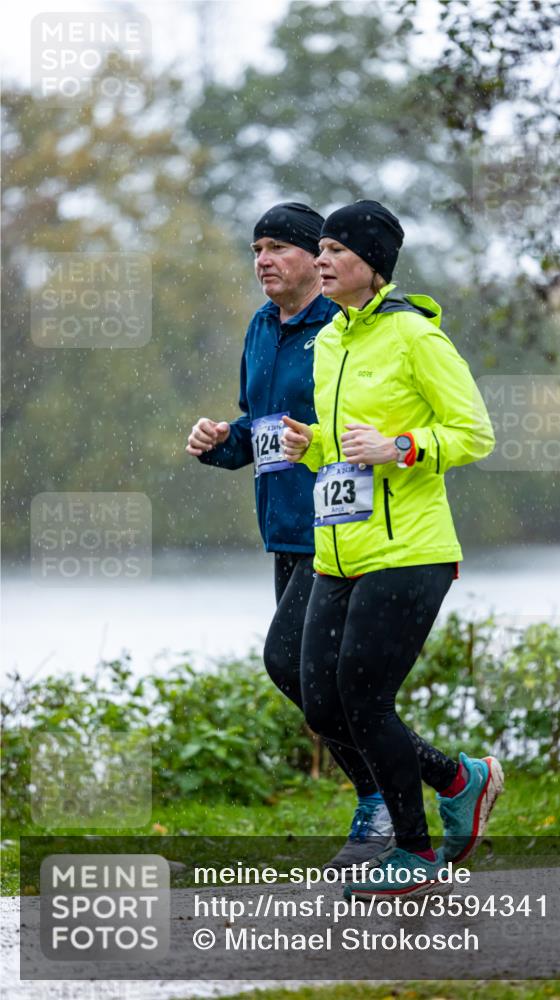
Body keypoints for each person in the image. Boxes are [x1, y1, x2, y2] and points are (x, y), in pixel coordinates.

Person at [281, 200, 503, 899]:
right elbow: (340, 448)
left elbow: (473, 434)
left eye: (335, 250)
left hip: (410, 549)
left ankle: (414, 851)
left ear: (371, 265)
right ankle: (457, 777)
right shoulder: (327, 342)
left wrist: (401, 448)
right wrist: (307, 444)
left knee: (364, 698)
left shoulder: (415, 336)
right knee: (321, 702)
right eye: (318, 247)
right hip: (337, 550)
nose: (320, 259)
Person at [185, 202, 394, 867]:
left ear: (316, 256)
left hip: (341, 523)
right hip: (283, 524)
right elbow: (262, 427)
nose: (262, 260)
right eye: (255, 249)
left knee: (295, 665)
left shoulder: (343, 325)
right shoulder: (259, 328)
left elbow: (365, 422)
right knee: (316, 679)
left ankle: (387, 795)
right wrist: (221, 441)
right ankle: (430, 782)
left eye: (277, 246)